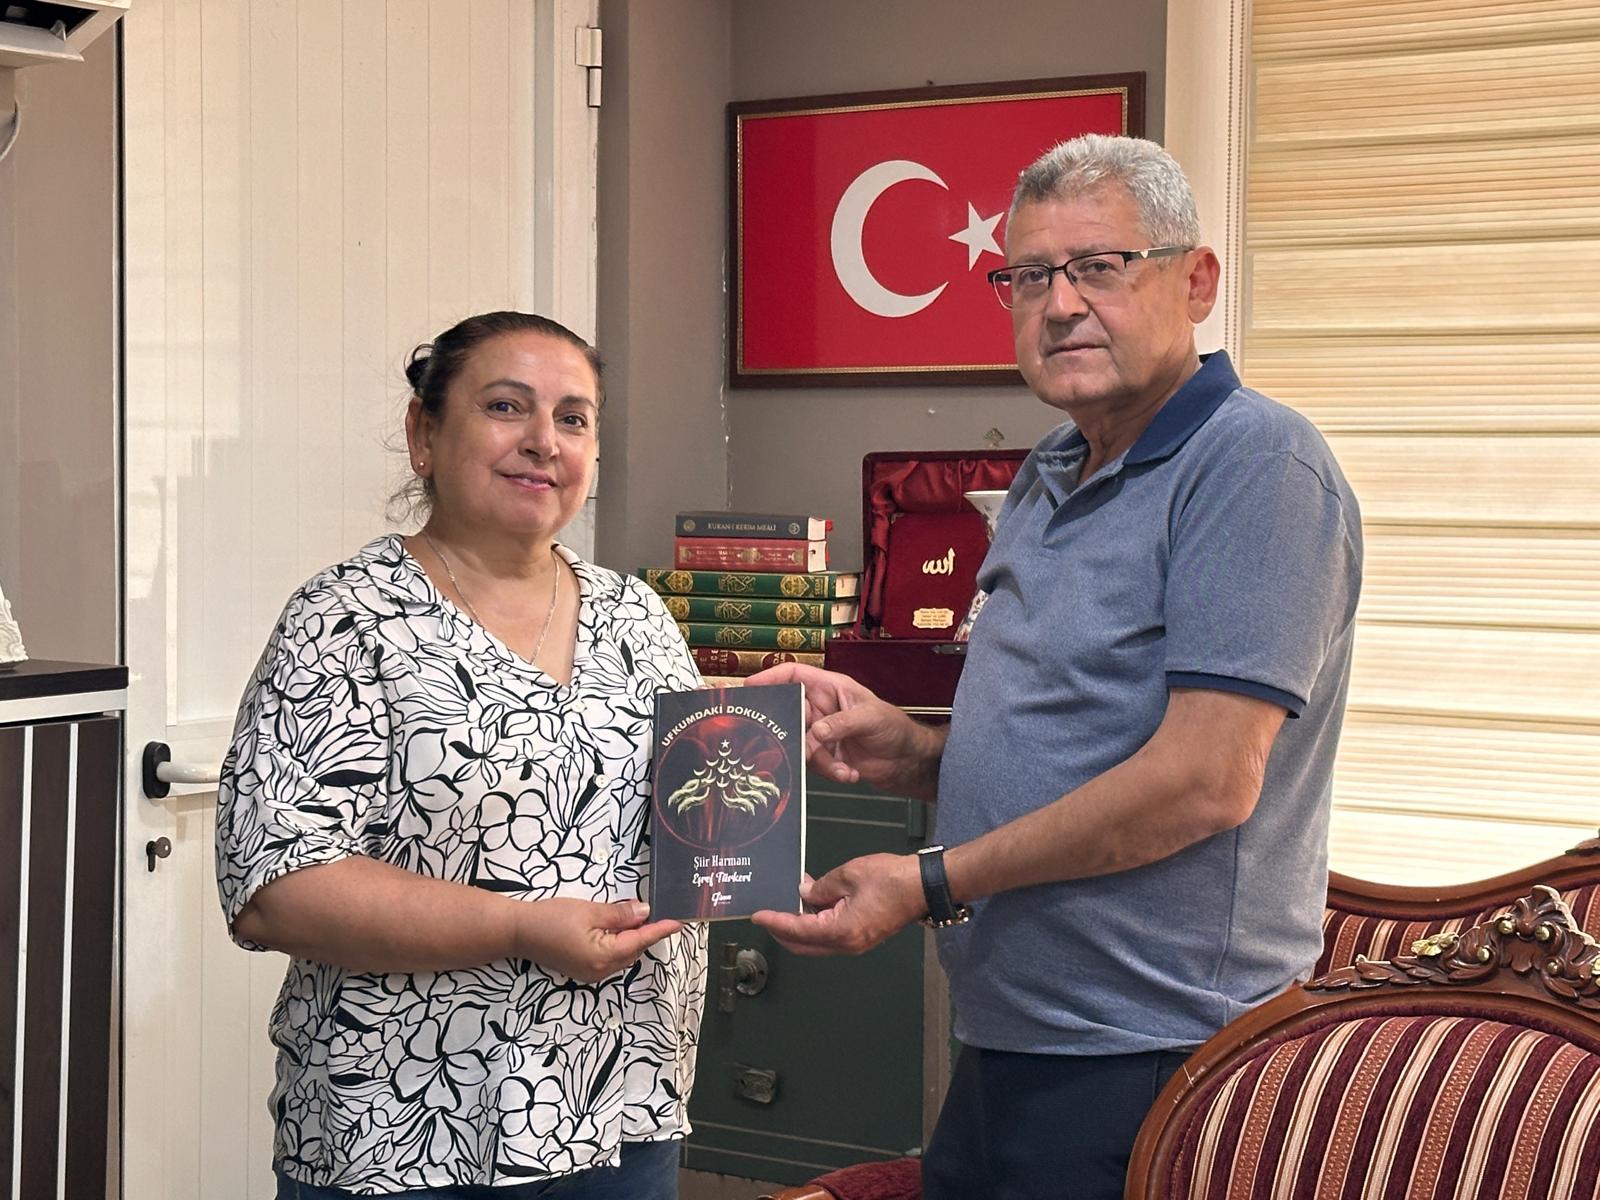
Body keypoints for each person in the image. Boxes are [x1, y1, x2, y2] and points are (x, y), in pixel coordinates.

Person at [749, 135, 1363, 1199]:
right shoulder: (1051, 467)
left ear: (1196, 281)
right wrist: (913, 753)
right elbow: (1076, 737)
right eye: (1029, 276)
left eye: (1099, 267)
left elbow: (1206, 780)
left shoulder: (1256, 464)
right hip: (1015, 1034)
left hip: (1155, 1051)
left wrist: (926, 881)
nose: (1061, 304)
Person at [215, 312, 706, 1199]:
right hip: (401, 1134)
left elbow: (692, 826)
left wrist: (764, 819)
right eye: (506, 406)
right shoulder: (347, 620)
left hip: (622, 1112)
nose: (544, 441)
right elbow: (275, 889)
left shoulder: (639, 617)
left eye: (573, 417)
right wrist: (521, 927)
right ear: (424, 435)